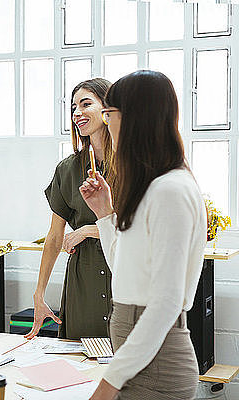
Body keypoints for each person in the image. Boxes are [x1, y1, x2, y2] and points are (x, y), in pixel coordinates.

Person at [80, 70, 206, 400]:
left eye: (109, 114)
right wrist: (105, 215)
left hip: (156, 369)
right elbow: (126, 273)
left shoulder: (170, 190)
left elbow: (165, 302)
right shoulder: (154, 187)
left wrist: (108, 384)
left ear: (135, 117)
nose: (106, 124)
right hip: (139, 362)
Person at [25, 78, 115, 340]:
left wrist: (88, 230)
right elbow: (54, 236)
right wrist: (39, 294)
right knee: (80, 362)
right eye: (73, 107)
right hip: (82, 279)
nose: (77, 113)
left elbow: (139, 223)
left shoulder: (132, 163)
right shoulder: (67, 169)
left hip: (123, 271)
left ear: (107, 109)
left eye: (86, 104)